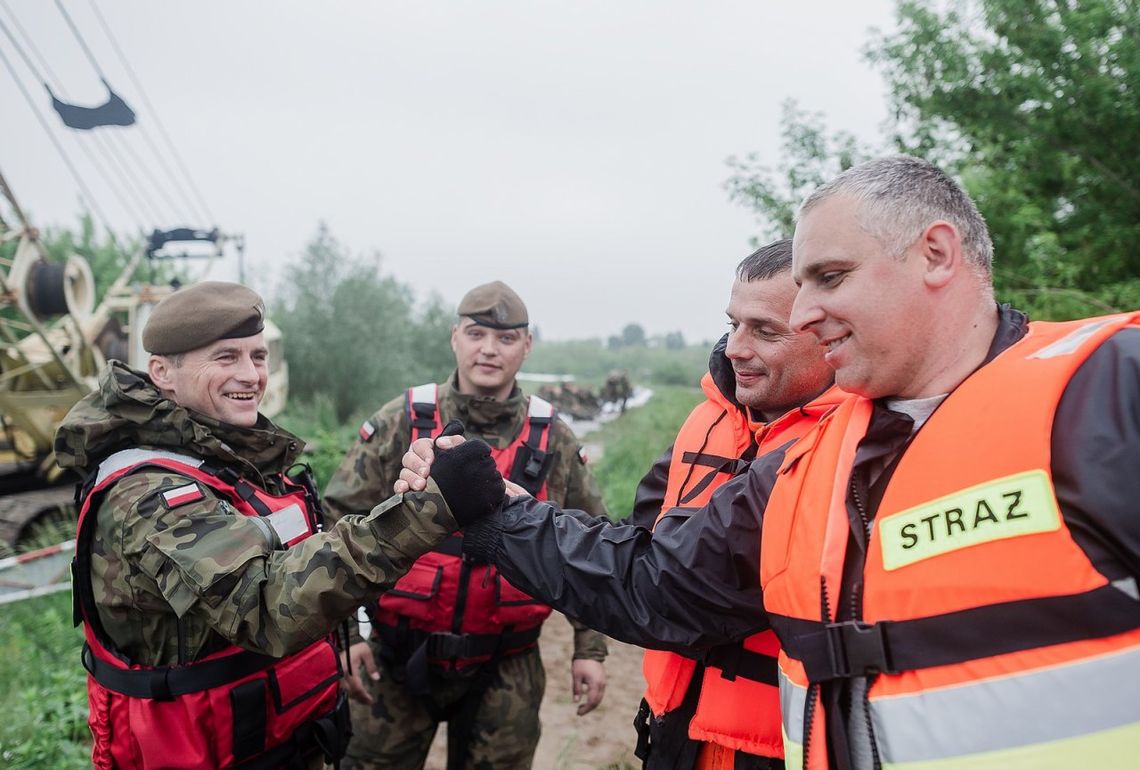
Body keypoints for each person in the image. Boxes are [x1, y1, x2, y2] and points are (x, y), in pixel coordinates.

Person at [399, 156, 1140, 769]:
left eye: (830, 277)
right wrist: (493, 508)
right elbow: (658, 585)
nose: (807, 314)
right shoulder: (809, 459)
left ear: (936, 254)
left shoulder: (1104, 389)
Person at [57, 281, 502, 770]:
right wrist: (426, 512)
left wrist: (343, 641)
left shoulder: (230, 457)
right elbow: (264, 606)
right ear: (162, 371)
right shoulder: (147, 494)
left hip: (276, 738)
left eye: (258, 356)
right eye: (226, 357)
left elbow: (306, 553)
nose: (251, 375)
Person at [322, 280, 611, 770]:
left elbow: (586, 540)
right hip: (395, 656)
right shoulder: (401, 420)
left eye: (505, 338)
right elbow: (336, 524)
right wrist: (345, 637)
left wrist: (591, 648)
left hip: (507, 665)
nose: (489, 350)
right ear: (455, 337)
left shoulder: (554, 436)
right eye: (477, 334)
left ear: (526, 345)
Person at [625, 239, 837, 770]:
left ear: (831, 335)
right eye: (733, 323)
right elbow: (637, 551)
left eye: (765, 331)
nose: (734, 348)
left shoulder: (854, 447)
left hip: (772, 747)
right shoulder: (707, 419)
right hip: (673, 723)